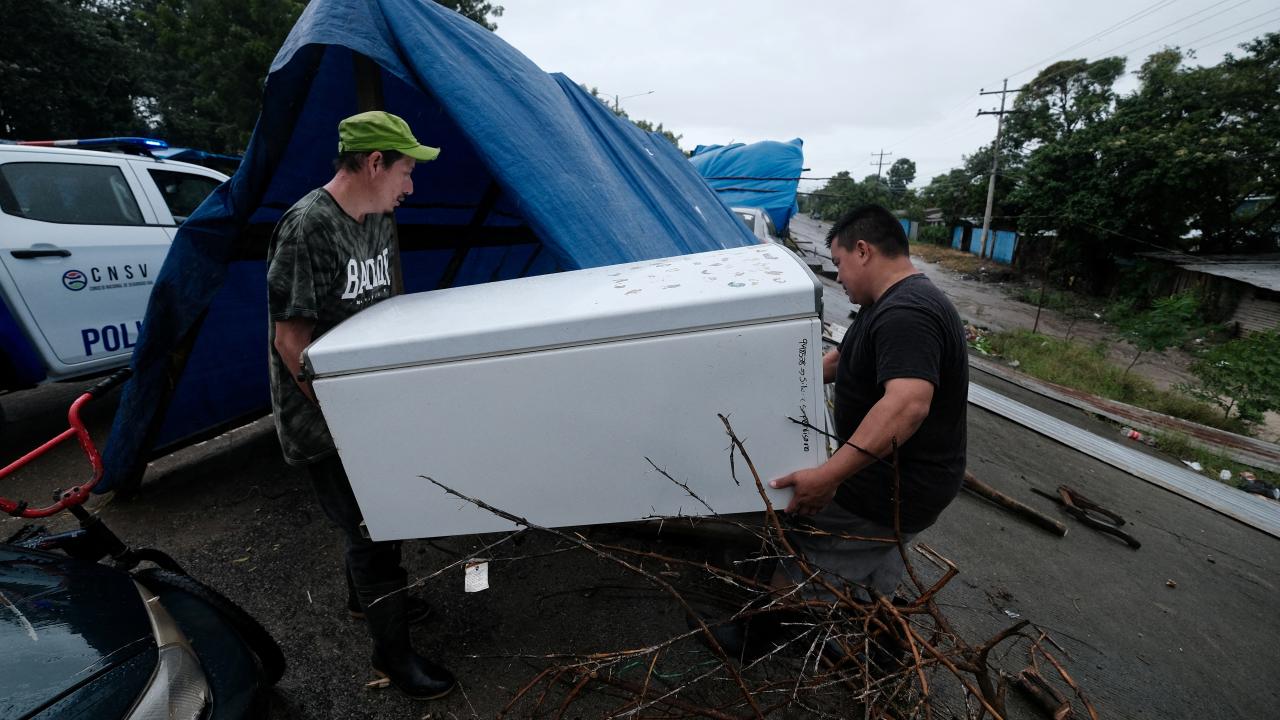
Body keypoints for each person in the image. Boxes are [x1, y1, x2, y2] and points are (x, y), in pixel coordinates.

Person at [266, 110, 455, 700]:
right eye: (405, 170)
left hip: (367, 402)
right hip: (323, 415)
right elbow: (290, 339)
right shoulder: (306, 228)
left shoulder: (377, 218)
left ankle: (360, 601)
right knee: (372, 526)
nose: (411, 185)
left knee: (370, 517)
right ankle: (393, 657)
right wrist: (341, 416)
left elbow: (384, 303)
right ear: (373, 163)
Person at [770, 203, 969, 601]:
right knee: (870, 564)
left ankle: (764, 627)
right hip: (906, 481)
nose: (838, 276)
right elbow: (841, 361)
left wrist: (828, 477)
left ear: (863, 250)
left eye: (839, 263)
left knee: (811, 545)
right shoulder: (883, 303)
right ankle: (873, 617)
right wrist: (770, 378)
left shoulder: (908, 312)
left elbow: (907, 405)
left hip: (894, 487)